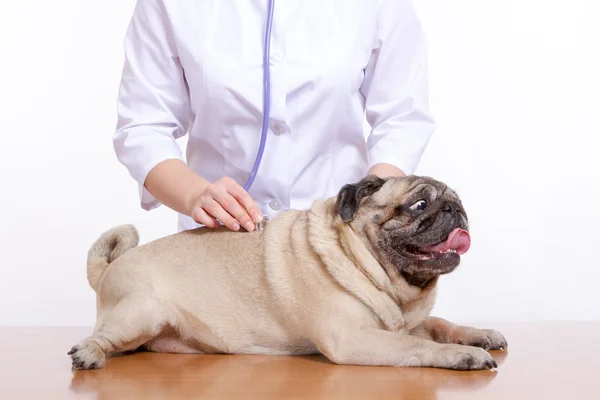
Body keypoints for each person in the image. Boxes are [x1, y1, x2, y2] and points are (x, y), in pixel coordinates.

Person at [113, 0, 435, 233]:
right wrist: (196, 193)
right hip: (217, 249)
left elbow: (402, 117)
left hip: (338, 242)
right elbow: (143, 127)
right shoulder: (169, 5)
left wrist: (366, 210)